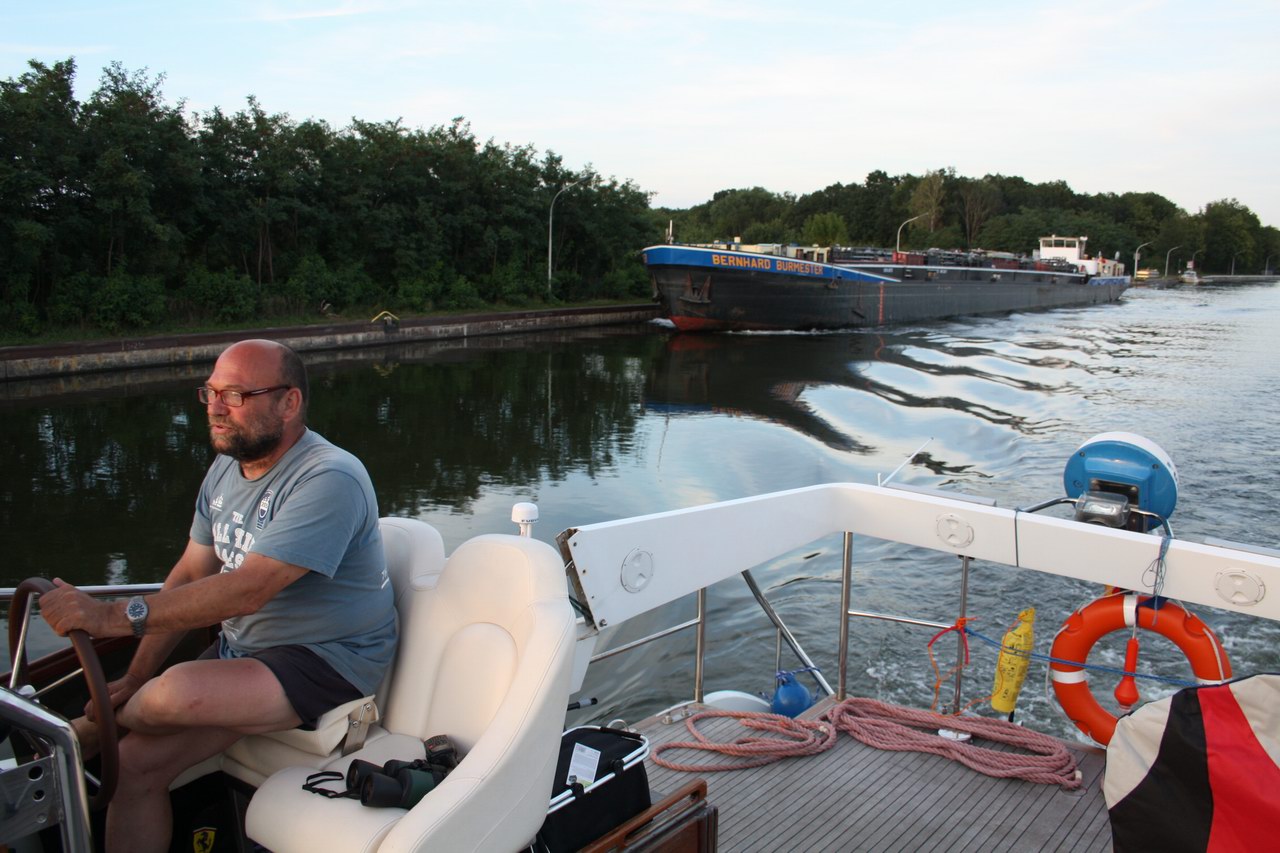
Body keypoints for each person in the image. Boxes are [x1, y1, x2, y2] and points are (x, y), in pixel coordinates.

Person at [40, 339, 396, 853]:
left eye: (235, 395)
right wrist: (135, 674)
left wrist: (111, 616)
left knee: (174, 693)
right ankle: (105, 724)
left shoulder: (329, 477)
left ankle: (89, 730)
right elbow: (191, 572)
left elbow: (248, 590)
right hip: (246, 649)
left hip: (326, 659)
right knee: (135, 767)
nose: (215, 407)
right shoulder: (227, 467)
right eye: (210, 392)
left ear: (289, 402)